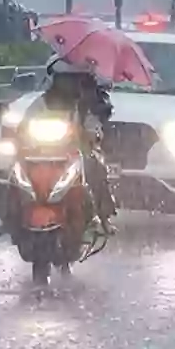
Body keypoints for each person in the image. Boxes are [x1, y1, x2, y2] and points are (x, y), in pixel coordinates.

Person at [41, 57, 117, 234]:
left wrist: (91, 131)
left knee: (94, 167)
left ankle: (101, 216)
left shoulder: (90, 98)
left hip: (77, 148)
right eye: (63, 79)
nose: (69, 84)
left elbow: (98, 118)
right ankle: (11, 217)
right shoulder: (45, 98)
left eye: (74, 79)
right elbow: (29, 118)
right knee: (10, 172)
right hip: (42, 149)